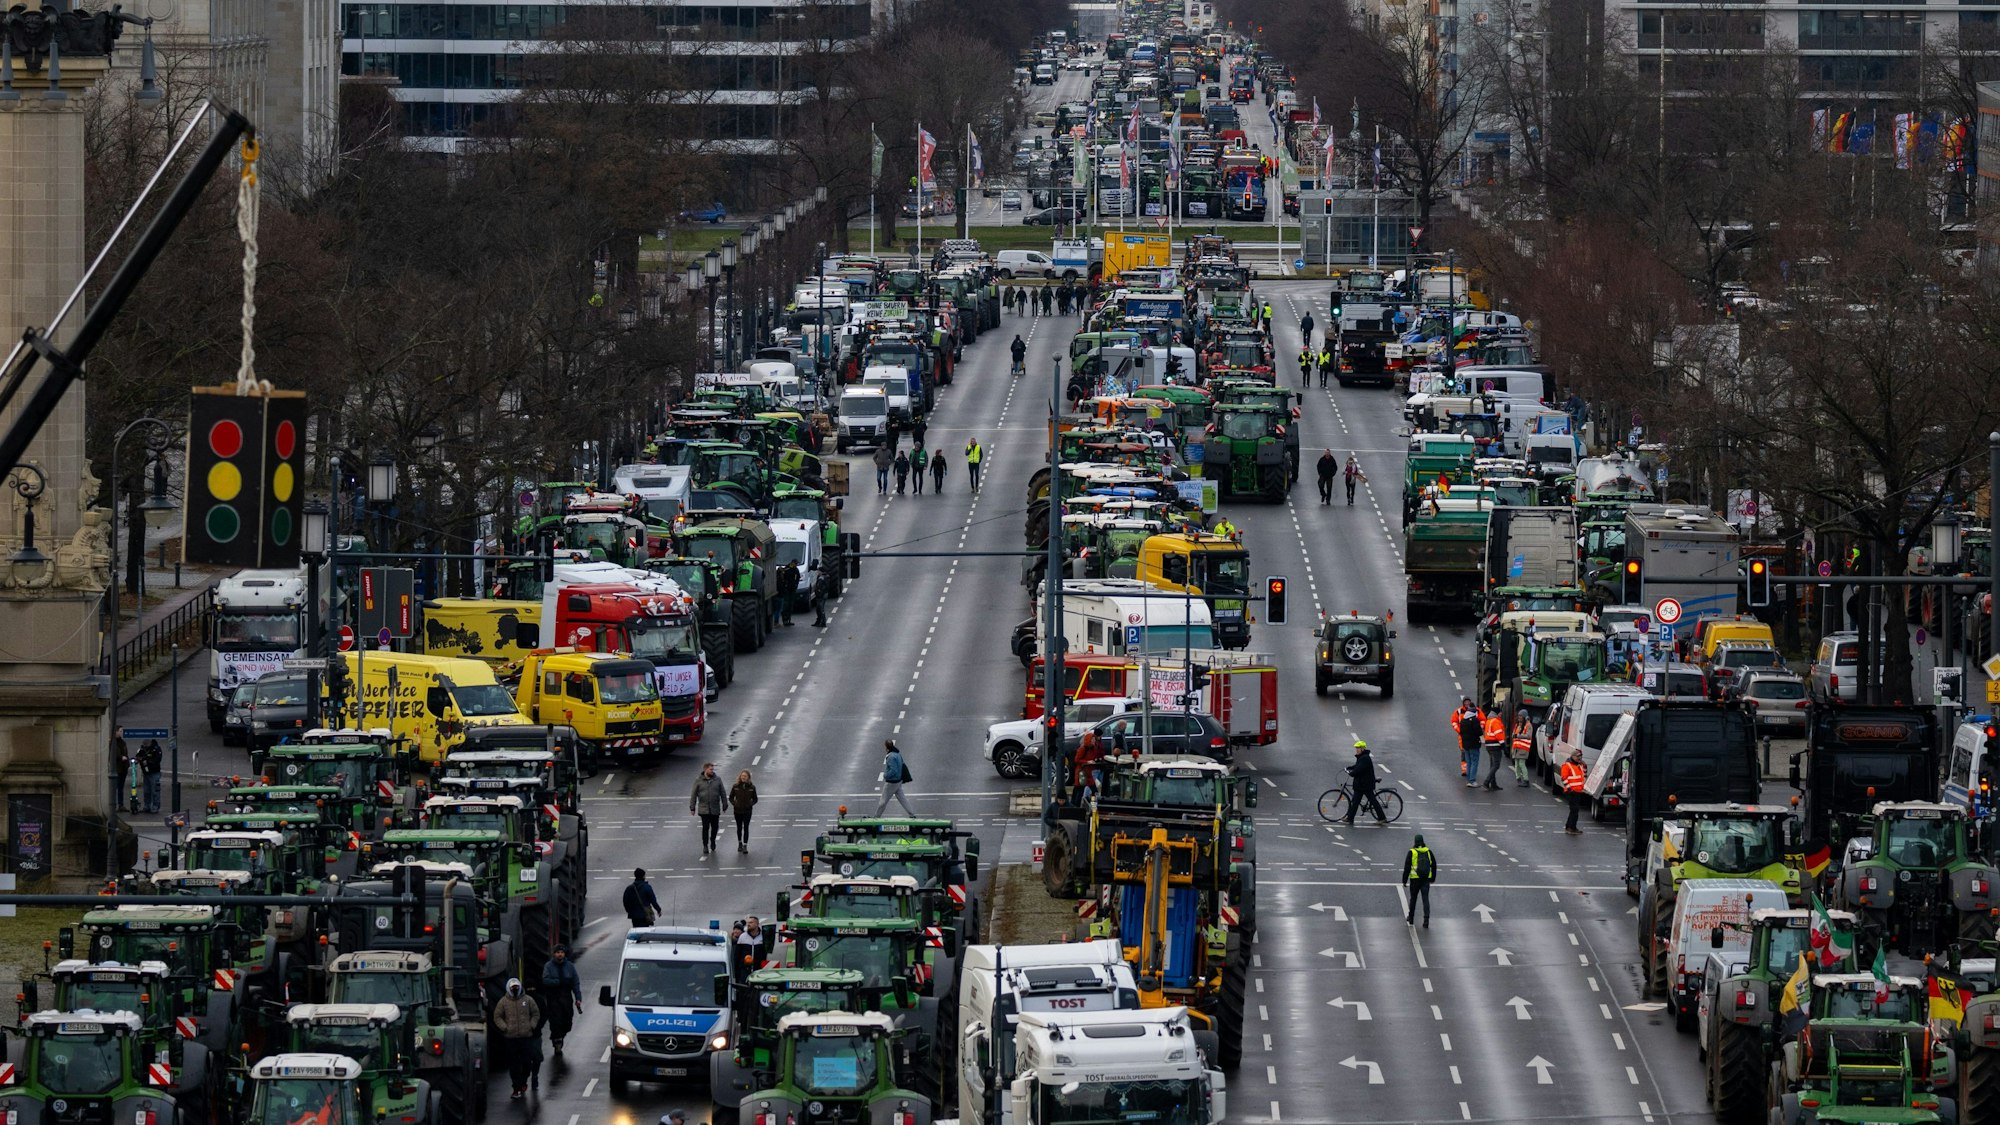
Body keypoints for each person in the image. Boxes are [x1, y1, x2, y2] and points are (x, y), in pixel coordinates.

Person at [493, 978, 543, 1098]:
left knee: (526, 1063)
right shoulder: (503, 1002)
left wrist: (531, 1025)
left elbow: (536, 1013)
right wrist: (505, 1028)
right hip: (511, 1039)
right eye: (512, 988)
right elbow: (497, 1016)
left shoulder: (528, 1000)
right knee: (513, 1065)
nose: (515, 990)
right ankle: (516, 1088)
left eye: (516, 988)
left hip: (526, 1038)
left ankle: (524, 1081)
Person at [539, 944, 582, 1056]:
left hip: (566, 998)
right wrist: (557, 982)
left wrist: (578, 998)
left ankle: (560, 1035)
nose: (560, 954)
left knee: (567, 1022)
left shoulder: (570, 966)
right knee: (556, 1021)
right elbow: (545, 980)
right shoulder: (548, 966)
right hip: (553, 998)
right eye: (557, 952)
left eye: (561, 952)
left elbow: (575, 983)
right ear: (554, 954)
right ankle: (557, 1041)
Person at [1342, 740, 1386, 825]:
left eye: (1358, 748)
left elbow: (1359, 769)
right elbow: (1357, 766)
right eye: (1356, 748)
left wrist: (1351, 773)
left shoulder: (1365, 758)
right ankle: (1350, 818)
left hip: (1366, 785)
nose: (1356, 750)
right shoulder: (1362, 757)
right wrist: (1350, 767)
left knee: (1373, 801)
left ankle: (1382, 818)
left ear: (1362, 748)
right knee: (1355, 801)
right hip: (1361, 785)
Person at [690, 762, 726, 856]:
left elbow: (722, 792)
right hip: (704, 809)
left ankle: (712, 840)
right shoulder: (698, 780)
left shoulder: (717, 779)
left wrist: (725, 804)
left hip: (715, 808)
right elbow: (693, 794)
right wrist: (692, 807)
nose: (712, 771)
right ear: (705, 769)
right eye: (710, 769)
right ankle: (705, 845)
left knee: (715, 827)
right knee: (705, 828)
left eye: (713, 769)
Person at [1403, 834, 1437, 928]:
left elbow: (1407, 867)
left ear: (1415, 842)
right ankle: (1426, 920)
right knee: (1425, 899)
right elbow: (1434, 865)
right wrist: (1432, 878)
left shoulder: (1412, 852)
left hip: (1414, 879)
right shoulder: (1428, 851)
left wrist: (1404, 881)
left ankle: (1411, 918)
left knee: (1413, 899)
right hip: (1426, 879)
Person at [876, 739, 915, 816]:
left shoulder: (891, 756)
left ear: (886, 747)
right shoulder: (897, 754)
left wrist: (885, 775)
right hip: (898, 781)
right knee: (902, 799)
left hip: (892, 782)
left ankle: (876, 816)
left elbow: (893, 770)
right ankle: (912, 814)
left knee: (883, 801)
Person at [729, 768, 758, 853]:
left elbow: (755, 799)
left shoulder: (752, 787)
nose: (743, 777)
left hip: (747, 811)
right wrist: (735, 803)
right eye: (742, 776)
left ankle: (745, 845)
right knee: (739, 827)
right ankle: (739, 843)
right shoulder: (735, 786)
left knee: (746, 827)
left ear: (748, 777)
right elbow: (731, 797)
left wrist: (750, 804)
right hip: (737, 810)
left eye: (745, 776)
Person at [1561, 748, 1589, 833]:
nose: (1579, 758)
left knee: (1574, 810)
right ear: (1572, 756)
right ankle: (1571, 827)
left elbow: (1583, 775)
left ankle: (1570, 826)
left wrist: (1585, 766)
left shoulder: (1578, 765)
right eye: (1578, 756)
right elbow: (1564, 778)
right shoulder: (1567, 765)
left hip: (1578, 791)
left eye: (1580, 756)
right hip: (1572, 792)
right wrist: (1569, 789)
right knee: (1574, 810)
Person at [1477, 708, 1505, 788]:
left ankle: (1493, 784)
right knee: (1496, 765)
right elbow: (1498, 734)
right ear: (1497, 713)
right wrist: (1503, 744)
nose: (1501, 714)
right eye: (1500, 713)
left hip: (1489, 745)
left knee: (1492, 764)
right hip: (1495, 745)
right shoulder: (1495, 721)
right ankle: (1487, 782)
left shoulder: (1489, 721)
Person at [1455, 703, 1483, 780]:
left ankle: (1469, 778)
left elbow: (1461, 732)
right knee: (1474, 762)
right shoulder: (1475, 720)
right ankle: (1472, 780)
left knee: (1469, 762)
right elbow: (1479, 732)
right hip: (1474, 744)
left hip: (1465, 745)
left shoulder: (1463, 721)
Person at [138, 738, 163, 814]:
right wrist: (139, 759)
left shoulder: (156, 749)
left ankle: (155, 807)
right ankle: (147, 806)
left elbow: (157, 759)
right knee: (147, 791)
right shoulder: (143, 748)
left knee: (155, 791)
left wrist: (148, 761)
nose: (145, 746)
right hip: (146, 773)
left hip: (154, 772)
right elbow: (138, 756)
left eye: (146, 744)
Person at [1510, 713, 1535, 788]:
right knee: (1517, 764)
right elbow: (1513, 734)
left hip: (1523, 748)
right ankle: (1519, 779)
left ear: (1524, 717)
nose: (1519, 717)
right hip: (1516, 747)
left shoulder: (1528, 725)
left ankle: (1526, 780)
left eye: (1521, 716)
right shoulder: (1517, 725)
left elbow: (1528, 736)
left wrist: (1518, 736)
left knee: (1521, 764)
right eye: (1519, 716)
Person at [775, 562, 800, 627]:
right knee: (786, 605)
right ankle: (785, 620)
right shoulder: (787, 570)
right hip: (787, 590)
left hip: (792, 590)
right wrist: (785, 587)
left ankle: (788, 619)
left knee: (790, 605)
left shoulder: (796, 570)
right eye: (795, 564)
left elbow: (797, 578)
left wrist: (795, 586)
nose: (796, 565)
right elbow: (782, 579)